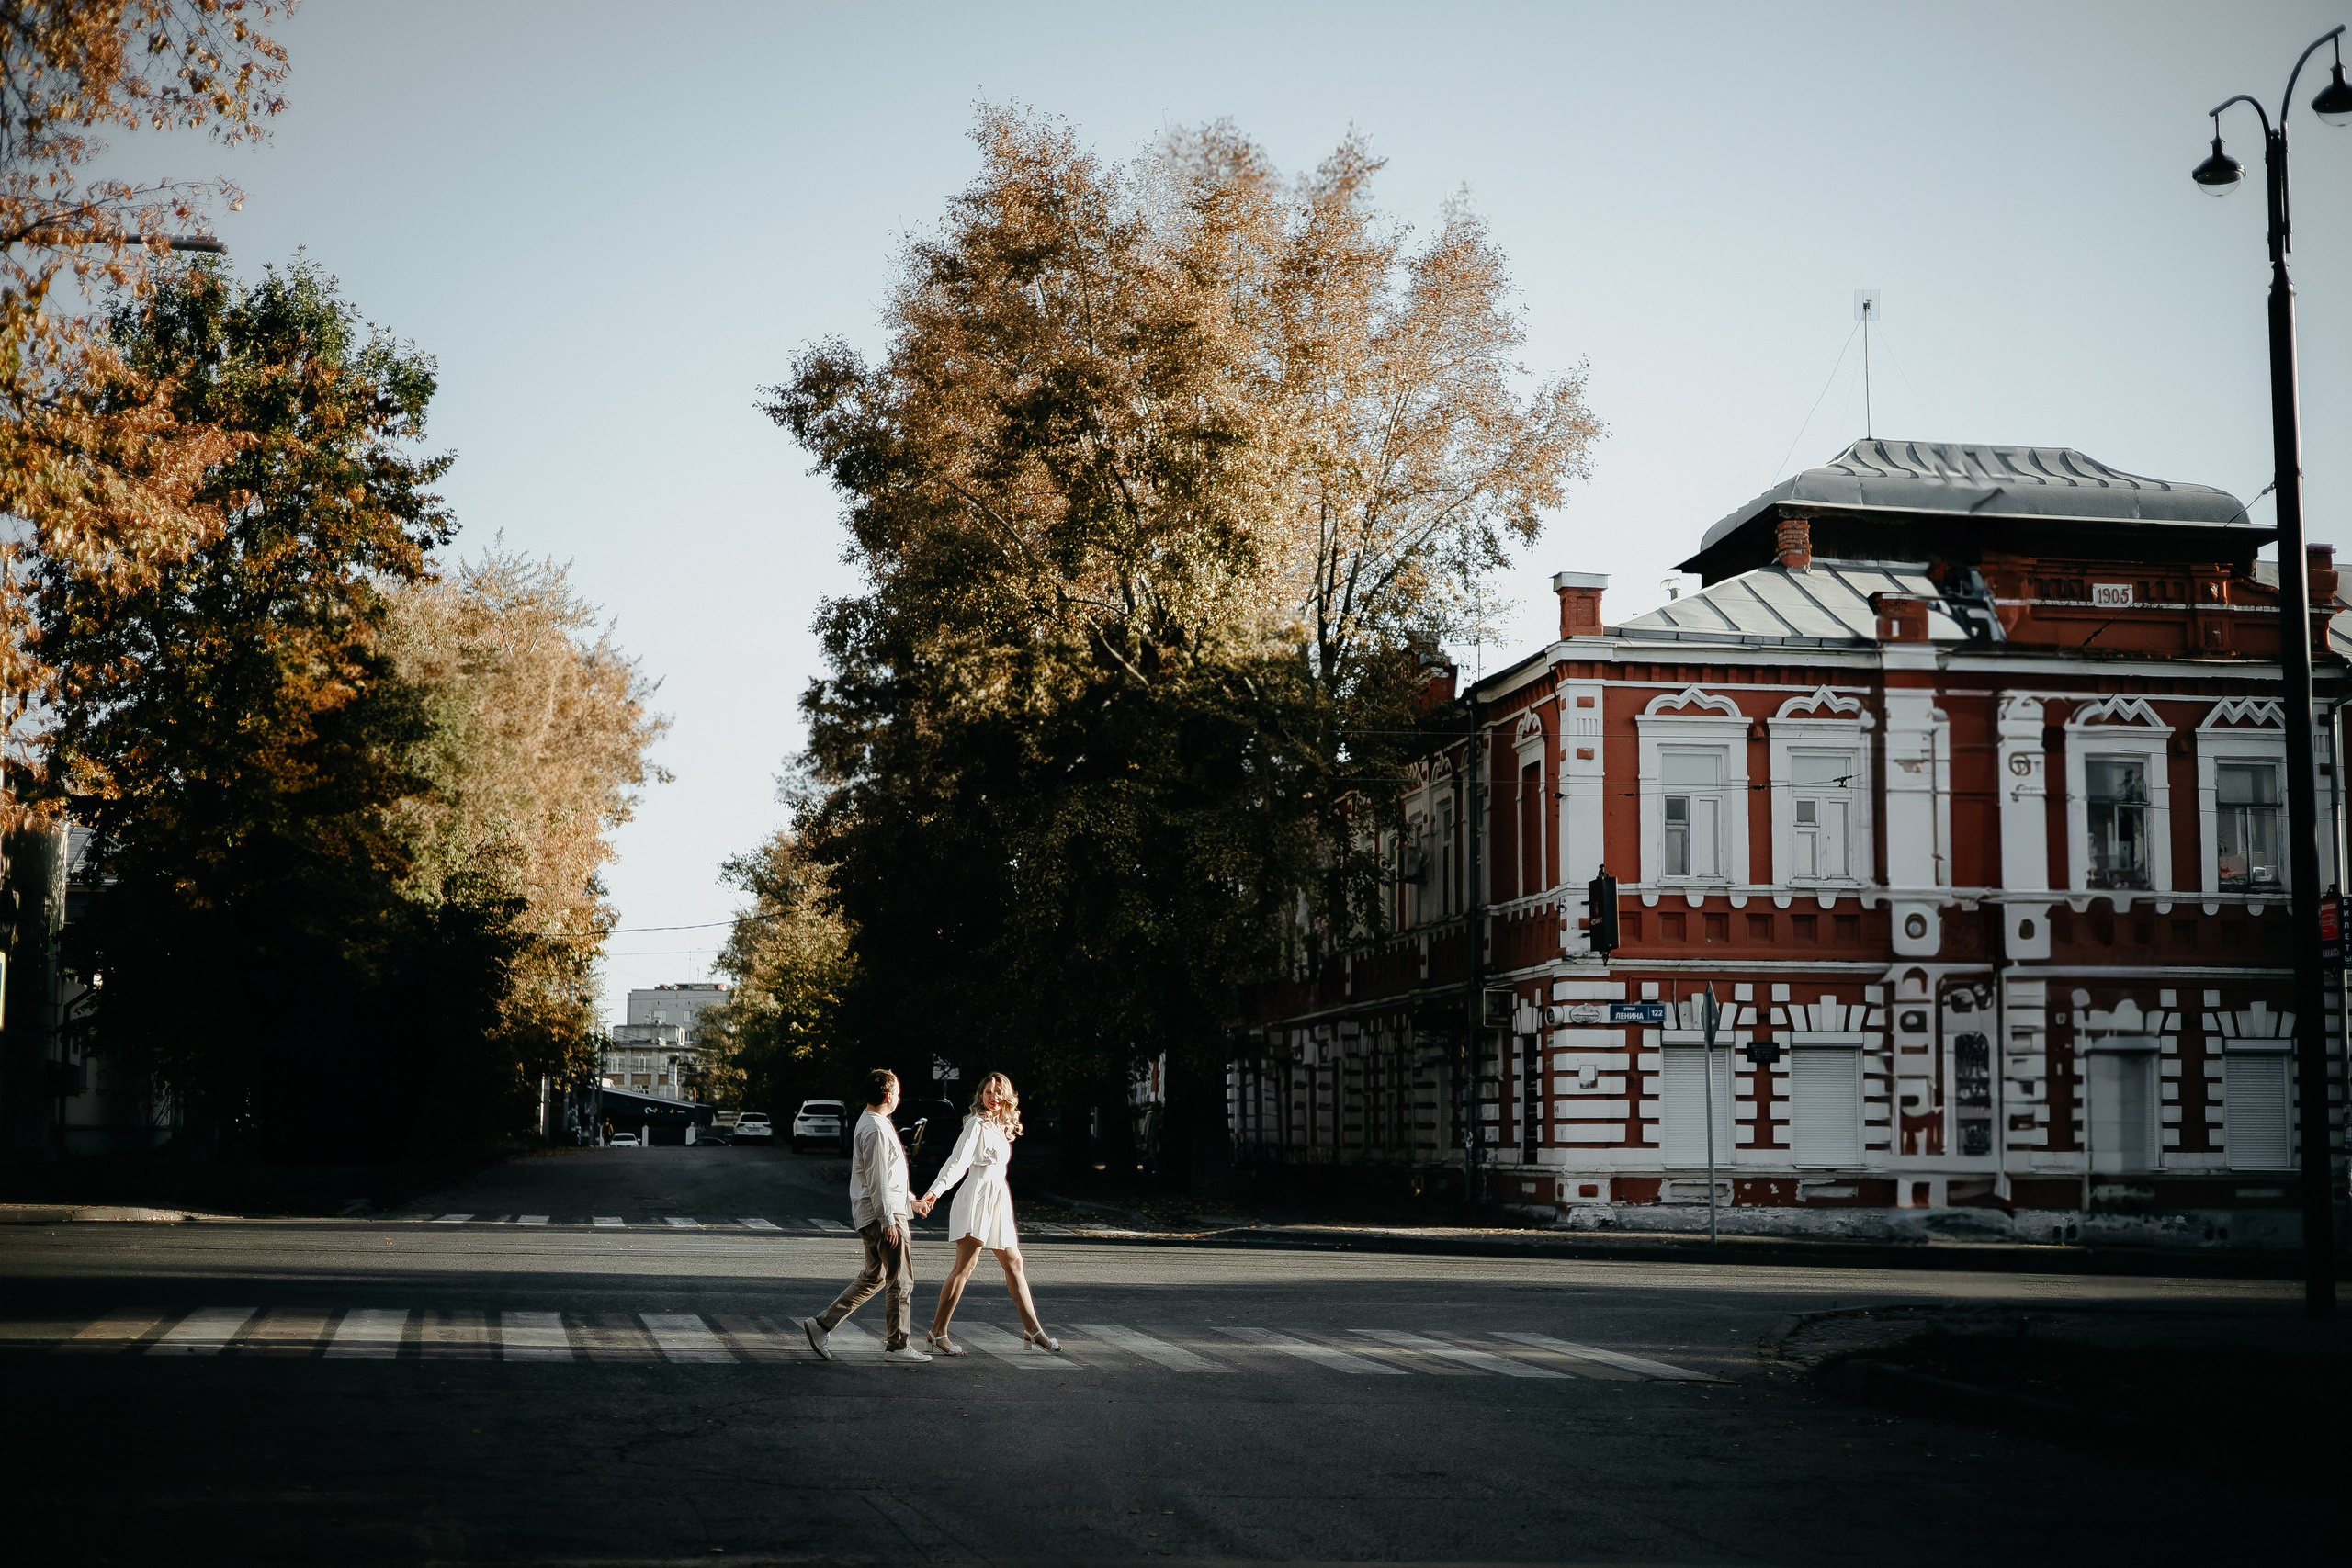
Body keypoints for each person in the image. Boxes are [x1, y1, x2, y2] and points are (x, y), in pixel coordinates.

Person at [913, 1071, 1059, 1357]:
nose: (994, 1097)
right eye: (989, 1091)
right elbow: (957, 1162)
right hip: (977, 1198)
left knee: (1014, 1262)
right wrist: (934, 1192)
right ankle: (937, 1332)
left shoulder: (1000, 1125)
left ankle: (1032, 1329)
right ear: (980, 1095)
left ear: (1006, 1095)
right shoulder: (976, 1124)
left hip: (997, 1198)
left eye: (999, 1091)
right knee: (964, 1268)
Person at [804, 1069, 931, 1363]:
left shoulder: (874, 1123)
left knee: (875, 1277)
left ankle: (821, 1325)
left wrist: (911, 1202)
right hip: (882, 1215)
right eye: (897, 1092)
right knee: (901, 1280)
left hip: (879, 1211)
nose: (899, 1097)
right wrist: (888, 1220)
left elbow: (887, 1176)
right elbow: (877, 1180)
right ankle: (898, 1346)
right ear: (888, 1096)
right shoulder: (875, 1129)